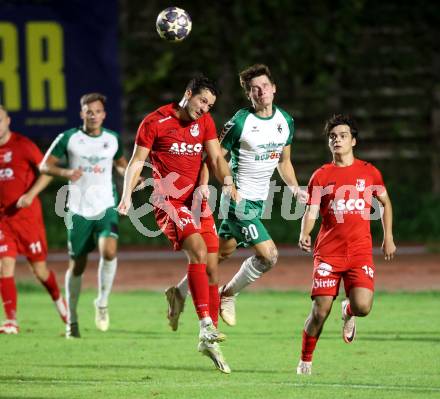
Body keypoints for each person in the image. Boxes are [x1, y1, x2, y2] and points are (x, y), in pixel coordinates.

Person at [166, 64, 308, 329]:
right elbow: (214, 155)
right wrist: (206, 186)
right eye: (255, 89)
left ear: (274, 89)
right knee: (269, 255)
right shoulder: (241, 122)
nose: (261, 91)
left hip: (258, 201)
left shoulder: (285, 121)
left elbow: (284, 161)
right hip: (237, 200)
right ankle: (228, 295)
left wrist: (294, 188)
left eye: (265, 86)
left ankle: (179, 292)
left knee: (218, 254)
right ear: (249, 95)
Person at [117, 75, 239, 374]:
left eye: (210, 105)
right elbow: (136, 162)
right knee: (197, 251)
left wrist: (228, 181)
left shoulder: (206, 123)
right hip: (168, 201)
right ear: (188, 94)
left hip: (196, 201)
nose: (204, 108)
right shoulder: (155, 122)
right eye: (201, 101)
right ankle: (206, 324)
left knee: (212, 264)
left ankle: (206, 339)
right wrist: (126, 196)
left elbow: (215, 158)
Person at [296, 114, 397, 375]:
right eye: (332, 136)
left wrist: (388, 237)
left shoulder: (369, 172)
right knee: (320, 312)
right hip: (328, 253)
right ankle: (305, 361)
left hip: (360, 252)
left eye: (342, 136)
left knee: (363, 307)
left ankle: (348, 310)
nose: (336, 140)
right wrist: (305, 233)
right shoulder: (321, 175)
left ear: (353, 140)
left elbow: (385, 204)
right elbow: (312, 211)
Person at [40, 93, 128, 339]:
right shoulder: (69, 138)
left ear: (104, 114)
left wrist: (130, 174)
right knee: (76, 265)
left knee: (109, 251)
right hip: (78, 209)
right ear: (82, 114)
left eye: (97, 111)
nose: (93, 116)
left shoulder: (112, 139)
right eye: (89, 111)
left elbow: (121, 163)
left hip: (105, 205)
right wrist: (66, 171)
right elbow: (44, 165)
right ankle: (73, 320)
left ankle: (102, 302)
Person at [0, 105, 67, 334]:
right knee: (4, 264)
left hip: (28, 220)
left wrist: (30, 194)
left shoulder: (23, 145)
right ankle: (11, 321)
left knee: (39, 271)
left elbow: (47, 170)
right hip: (3, 221)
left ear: (7, 120)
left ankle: (60, 303)